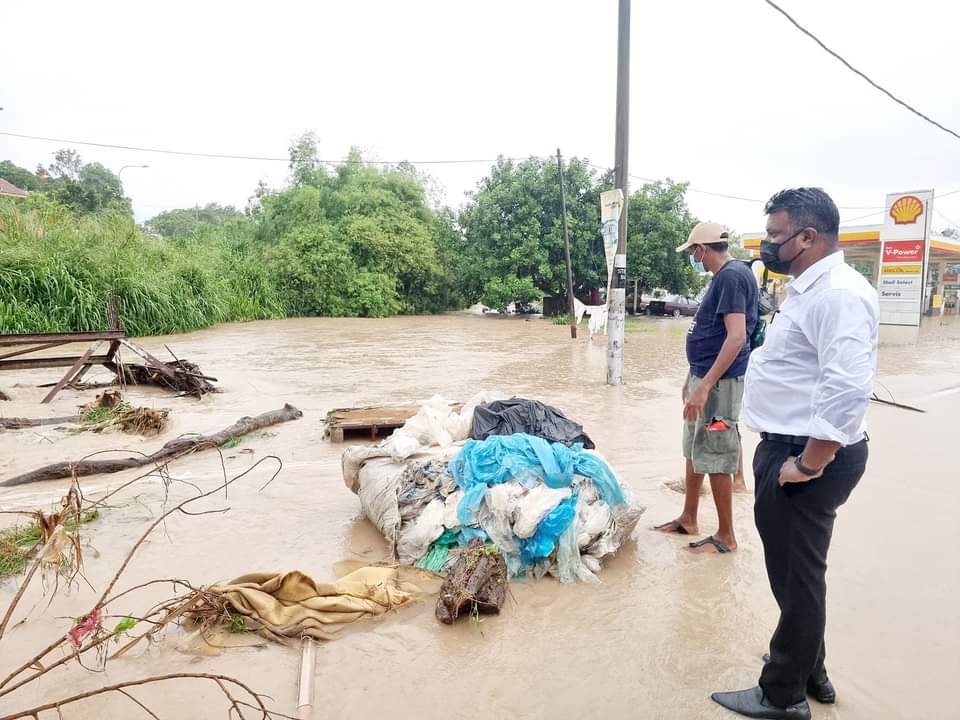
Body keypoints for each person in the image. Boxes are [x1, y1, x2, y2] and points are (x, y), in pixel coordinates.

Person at [711, 188, 879, 720]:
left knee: (797, 579)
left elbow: (847, 387)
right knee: (797, 574)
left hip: (804, 458)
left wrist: (808, 464)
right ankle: (810, 670)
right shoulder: (810, 289)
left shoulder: (837, 295)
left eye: (775, 234)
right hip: (793, 449)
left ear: (808, 237)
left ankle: (781, 695)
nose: (766, 244)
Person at [654, 222, 758, 554]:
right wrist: (693, 378)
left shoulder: (731, 277)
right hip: (705, 378)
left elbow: (736, 337)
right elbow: (711, 333)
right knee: (694, 448)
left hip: (720, 386)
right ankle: (689, 517)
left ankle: (726, 535)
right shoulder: (723, 277)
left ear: (701, 250)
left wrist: (705, 386)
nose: (693, 258)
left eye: (692, 252)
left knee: (716, 452)